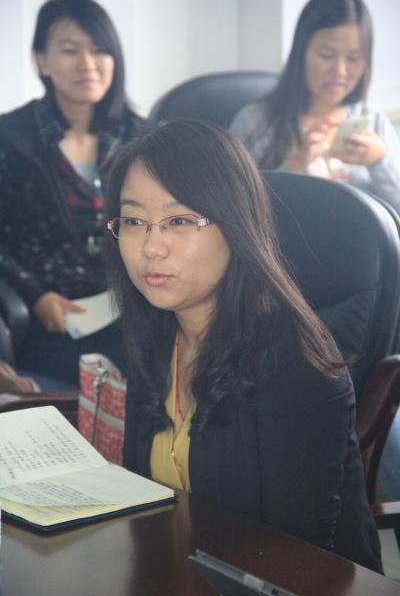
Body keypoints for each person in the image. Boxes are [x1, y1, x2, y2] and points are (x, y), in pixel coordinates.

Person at [105, 118, 382, 573]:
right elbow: (148, 507)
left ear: (236, 225)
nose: (152, 247)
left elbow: (297, 560)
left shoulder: (295, 363)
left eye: (179, 221)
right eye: (134, 221)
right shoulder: (155, 333)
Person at [0, 0, 148, 386]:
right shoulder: (10, 138)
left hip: (137, 306)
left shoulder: (143, 138)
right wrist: (35, 295)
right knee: (101, 386)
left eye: (99, 50)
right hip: (54, 317)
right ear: (42, 61)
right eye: (70, 50)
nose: (88, 63)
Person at [230, 0, 400, 213]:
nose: (340, 71)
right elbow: (235, 211)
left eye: (354, 58)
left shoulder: (374, 121)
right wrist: (295, 166)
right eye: (326, 55)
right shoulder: (254, 122)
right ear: (301, 52)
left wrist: (379, 162)